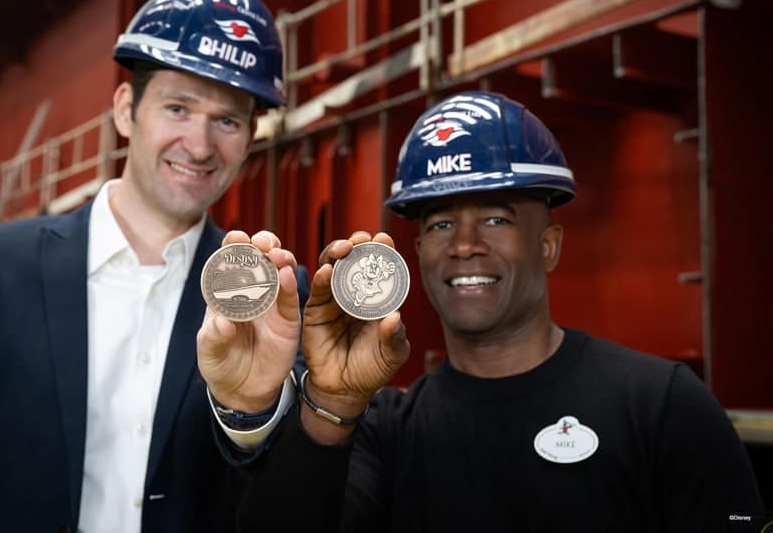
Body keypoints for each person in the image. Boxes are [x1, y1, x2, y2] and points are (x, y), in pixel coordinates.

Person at [198, 91, 767, 532]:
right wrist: (331, 404)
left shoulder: (662, 406)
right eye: (441, 224)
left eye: (496, 219)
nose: (464, 244)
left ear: (548, 245)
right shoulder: (382, 429)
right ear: (417, 252)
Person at [0, 0, 308, 533]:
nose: (200, 146)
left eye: (226, 120)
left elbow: (283, 498)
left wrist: (251, 414)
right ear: (127, 109)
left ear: (250, 136)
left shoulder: (269, 296)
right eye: (177, 108)